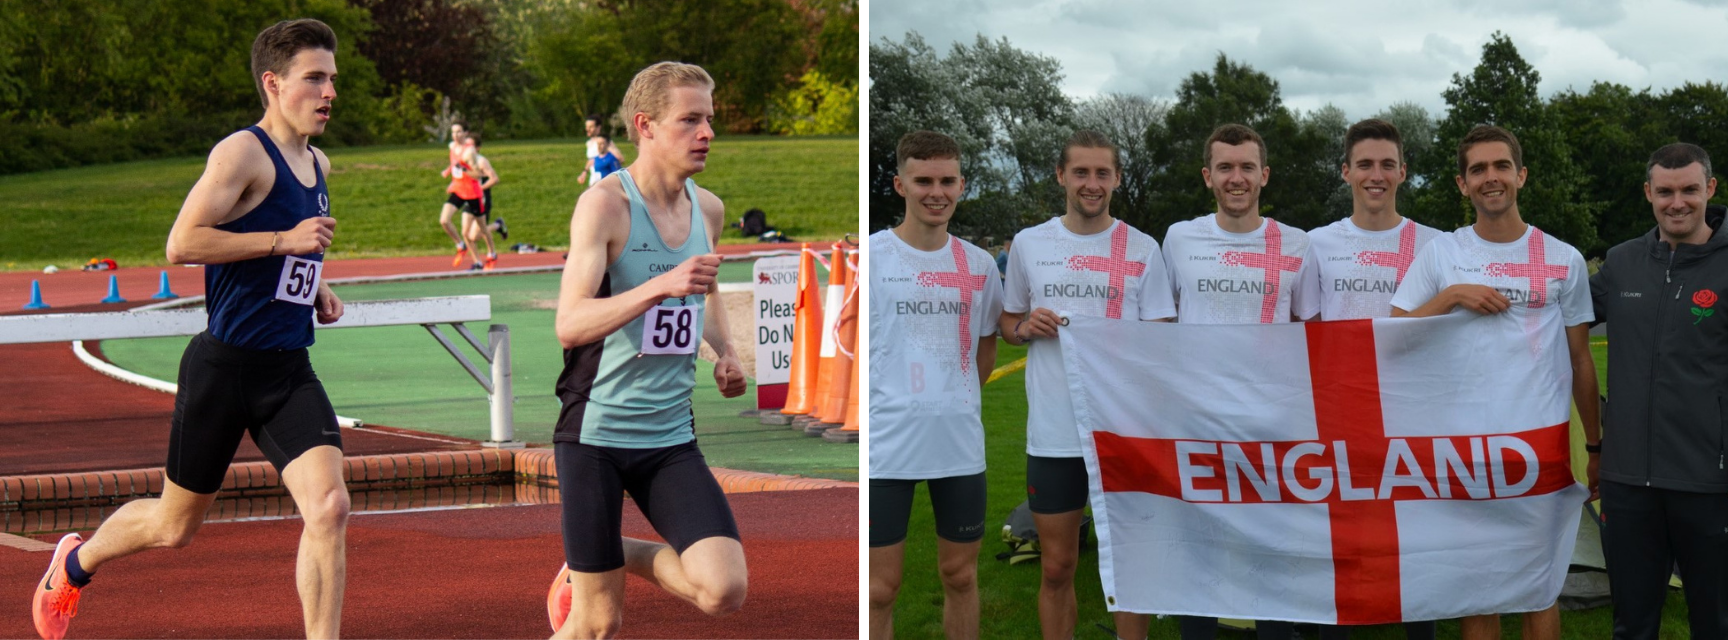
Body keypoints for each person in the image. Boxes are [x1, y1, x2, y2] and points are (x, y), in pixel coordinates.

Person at [32, 18, 350, 640]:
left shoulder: (318, 163)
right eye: (314, 79)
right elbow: (183, 243)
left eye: (332, 79)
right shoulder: (241, 152)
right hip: (223, 371)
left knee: (331, 506)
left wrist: (315, 284)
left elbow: (290, 254)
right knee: (174, 527)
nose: (329, 92)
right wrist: (285, 240)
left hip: (287, 370)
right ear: (273, 83)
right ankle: (73, 562)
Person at [545, 61, 749, 640]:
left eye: (709, 119)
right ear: (646, 126)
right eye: (690, 119)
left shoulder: (707, 208)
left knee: (723, 589)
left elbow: (702, 288)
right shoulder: (605, 206)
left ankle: (616, 553)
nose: (707, 132)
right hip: (596, 438)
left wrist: (725, 351)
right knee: (596, 624)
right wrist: (659, 284)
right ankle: (593, 571)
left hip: (669, 439)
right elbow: (570, 323)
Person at [1389, 125, 1600, 640]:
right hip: (1464, 443)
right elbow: (1392, 339)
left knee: (1538, 586)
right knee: (1478, 590)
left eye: (1501, 166)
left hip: (1538, 442)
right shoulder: (1443, 254)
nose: (1491, 178)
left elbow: (1580, 359)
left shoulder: (1562, 258)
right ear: (1462, 184)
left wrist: (1595, 445)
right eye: (1478, 169)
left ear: (1520, 175)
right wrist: (1451, 296)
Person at [999, 130, 1176, 640]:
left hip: (1125, 432)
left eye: (1102, 173)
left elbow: (1162, 340)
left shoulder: (1142, 248)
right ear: (1061, 176)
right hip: (1055, 435)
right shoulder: (1031, 244)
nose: (1091, 183)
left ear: (1117, 178)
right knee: (1057, 567)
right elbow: (1010, 324)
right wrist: (1025, 328)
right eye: (1081, 172)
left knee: (1128, 570)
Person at [1160, 123, 1318, 640]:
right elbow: (1159, 330)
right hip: (1198, 424)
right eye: (1225, 167)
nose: (1236, 178)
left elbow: (1311, 336)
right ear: (1208, 176)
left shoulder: (1295, 244)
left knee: (1270, 559)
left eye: (1247, 167)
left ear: (1264, 175)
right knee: (1197, 558)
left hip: (1271, 428)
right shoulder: (1180, 238)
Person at [1303, 119, 1441, 640]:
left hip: (1413, 414)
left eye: (1387, 164)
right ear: (1346, 172)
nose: (1376, 174)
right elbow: (1307, 335)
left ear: (1403, 172)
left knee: (1414, 543)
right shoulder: (1315, 244)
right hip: (1341, 418)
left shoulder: (1436, 244)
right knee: (1342, 543)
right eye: (1365, 164)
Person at [1589, 142, 1728, 640]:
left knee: (1715, 624)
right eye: (1665, 191)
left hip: (1709, 485)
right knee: (1632, 625)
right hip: (1627, 484)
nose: (1677, 203)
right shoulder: (1623, 263)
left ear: (1709, 189)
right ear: (1648, 192)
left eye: (1689, 190)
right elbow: (1551, 318)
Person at [868, 130, 1003, 640]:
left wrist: (950, 394)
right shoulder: (875, 258)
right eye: (923, 180)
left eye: (947, 181)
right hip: (887, 447)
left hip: (958, 443)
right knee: (880, 589)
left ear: (962, 184)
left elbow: (985, 351)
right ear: (900, 183)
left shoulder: (980, 264)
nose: (936, 192)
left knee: (960, 575)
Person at [440, 121, 484, 266]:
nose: (455, 135)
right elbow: (454, 163)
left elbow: (478, 174)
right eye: (453, 132)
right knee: (444, 220)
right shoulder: (452, 146)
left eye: (459, 132)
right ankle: (460, 245)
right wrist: (449, 173)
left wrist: (464, 170)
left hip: (472, 192)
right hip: (458, 190)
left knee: (481, 230)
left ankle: (489, 255)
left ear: (465, 133)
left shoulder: (469, 152)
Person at [461, 133, 501, 270]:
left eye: (471, 145)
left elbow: (495, 178)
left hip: (482, 200)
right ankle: (477, 262)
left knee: (475, 236)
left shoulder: (481, 161)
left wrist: (480, 188)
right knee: (465, 233)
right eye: (466, 145)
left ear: (477, 148)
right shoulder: (464, 161)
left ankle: (497, 226)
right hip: (468, 199)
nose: (468, 148)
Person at [578, 114, 625, 186]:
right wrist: (584, 172)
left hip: (605, 182)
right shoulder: (589, 143)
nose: (587, 129)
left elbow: (620, 159)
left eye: (590, 127)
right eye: (587, 127)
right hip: (594, 181)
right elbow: (592, 160)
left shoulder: (605, 143)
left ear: (598, 128)